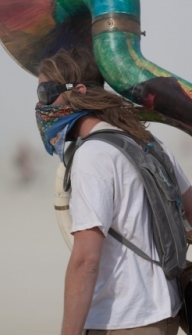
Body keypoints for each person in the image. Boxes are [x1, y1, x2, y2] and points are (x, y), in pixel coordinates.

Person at [35, 48, 192, 335]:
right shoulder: (148, 142)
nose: (39, 104)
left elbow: (85, 261)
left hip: (122, 319)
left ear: (79, 91)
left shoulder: (93, 155)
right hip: (167, 313)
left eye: (46, 94)